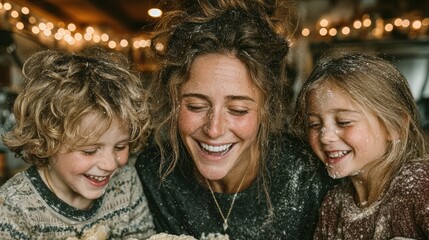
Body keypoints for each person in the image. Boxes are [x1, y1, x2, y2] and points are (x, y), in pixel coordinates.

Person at [135, 0, 335, 239]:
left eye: (238, 110)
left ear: (266, 108)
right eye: (196, 106)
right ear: (174, 101)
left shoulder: (309, 176)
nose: (214, 129)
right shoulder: (150, 176)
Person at [0, 47, 156, 239]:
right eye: (90, 151)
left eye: (120, 146)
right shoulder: (13, 208)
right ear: (45, 142)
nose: (110, 164)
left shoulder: (126, 181)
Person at [293, 52, 429, 239]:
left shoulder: (421, 186)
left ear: (395, 127)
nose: (325, 136)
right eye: (315, 125)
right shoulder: (333, 206)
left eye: (343, 122)